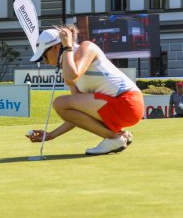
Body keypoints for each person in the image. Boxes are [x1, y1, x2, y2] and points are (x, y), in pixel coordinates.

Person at [25, 26, 144, 156]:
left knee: (59, 102)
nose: (46, 62)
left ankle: (114, 138)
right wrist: (51, 135)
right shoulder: (68, 67)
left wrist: (67, 47)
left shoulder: (87, 47)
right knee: (61, 104)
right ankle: (118, 136)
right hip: (117, 107)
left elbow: (72, 77)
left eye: (44, 56)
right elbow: (77, 115)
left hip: (128, 103)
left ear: (56, 47)